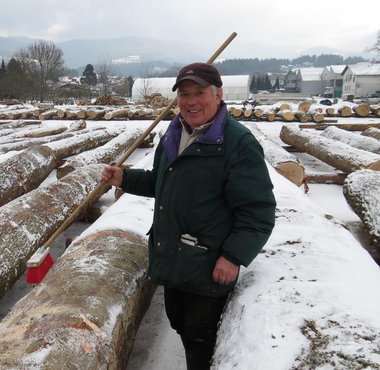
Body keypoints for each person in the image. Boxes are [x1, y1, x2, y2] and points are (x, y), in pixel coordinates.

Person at [101, 62, 276, 370]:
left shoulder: (237, 144)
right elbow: (161, 181)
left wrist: (234, 257)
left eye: (200, 93)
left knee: (200, 341)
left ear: (218, 95)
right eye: (184, 94)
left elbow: (257, 211)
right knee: (181, 324)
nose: (191, 101)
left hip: (207, 264)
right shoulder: (174, 134)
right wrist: (124, 179)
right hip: (172, 257)